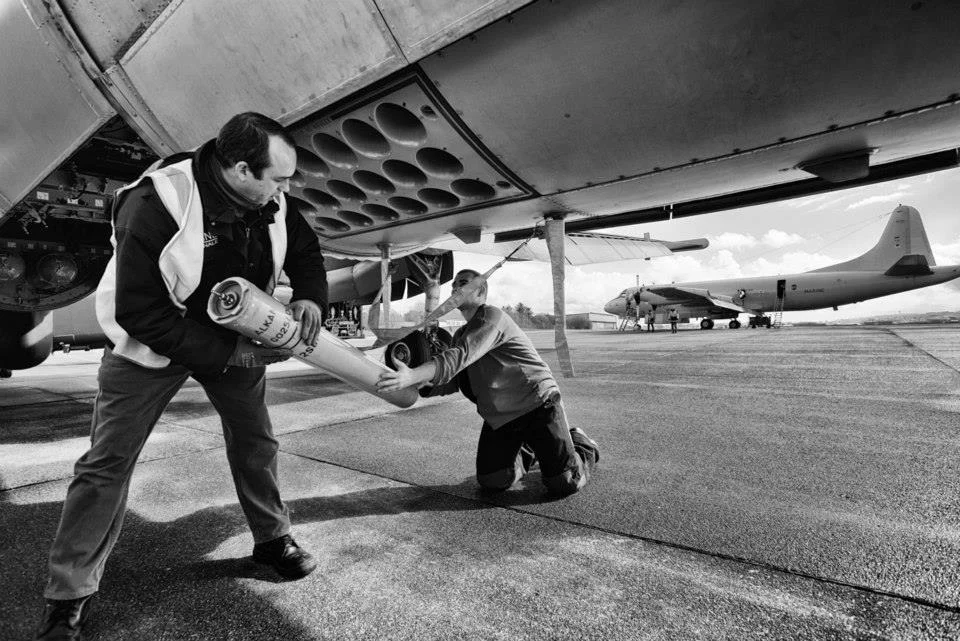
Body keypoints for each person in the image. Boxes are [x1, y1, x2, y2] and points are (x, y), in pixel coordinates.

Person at [35, 112, 327, 640]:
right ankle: (69, 593)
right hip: (150, 340)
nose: (287, 190)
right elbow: (141, 311)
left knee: (256, 441)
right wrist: (228, 354)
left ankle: (271, 539)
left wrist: (308, 293)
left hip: (233, 329)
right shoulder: (156, 202)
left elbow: (305, 250)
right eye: (279, 179)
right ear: (241, 169)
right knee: (106, 463)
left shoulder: (271, 199)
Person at [376, 269, 599, 497]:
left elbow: (458, 357)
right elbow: (456, 380)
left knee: (564, 482)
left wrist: (412, 375)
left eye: (462, 283)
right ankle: (530, 447)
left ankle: (581, 443)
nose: (454, 289)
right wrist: (422, 384)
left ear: (481, 290)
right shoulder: (461, 333)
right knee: (493, 481)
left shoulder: (492, 317)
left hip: (537, 405)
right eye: (453, 285)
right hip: (503, 417)